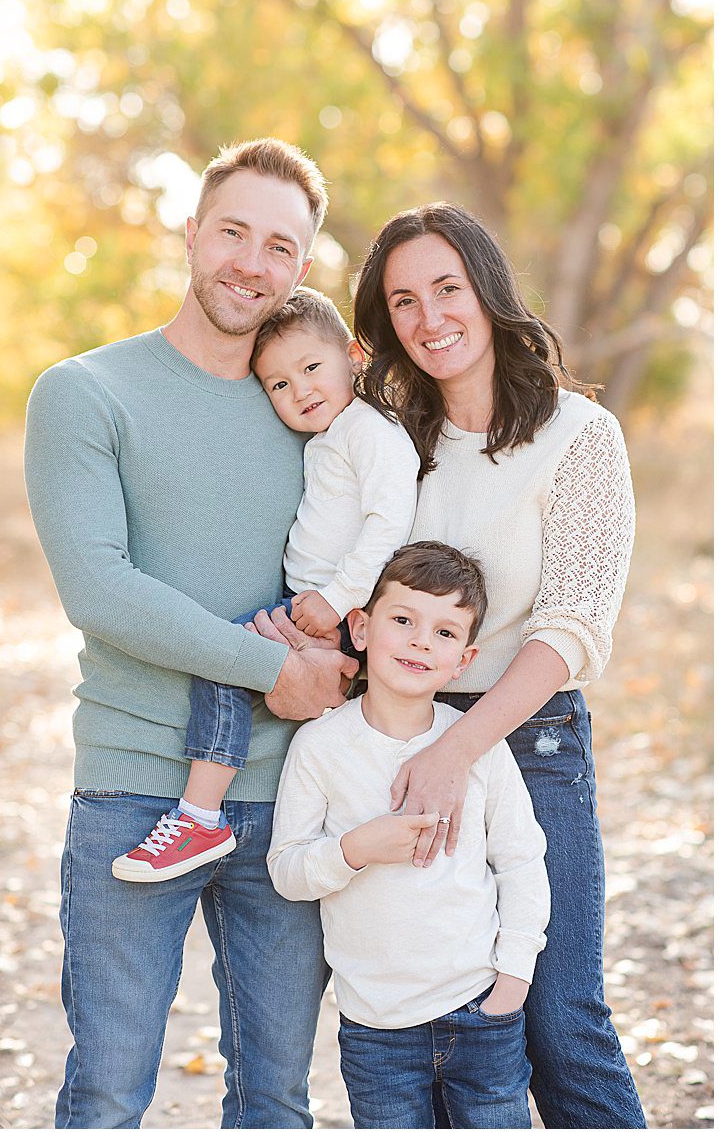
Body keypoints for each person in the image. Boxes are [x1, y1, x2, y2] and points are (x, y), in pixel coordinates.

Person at [24, 137, 357, 1128]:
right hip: (135, 789)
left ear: (302, 267)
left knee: (275, 1098)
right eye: (233, 233)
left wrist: (334, 672)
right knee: (106, 1092)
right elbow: (100, 588)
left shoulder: (316, 411)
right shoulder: (85, 392)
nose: (251, 263)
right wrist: (272, 668)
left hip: (293, 795)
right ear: (190, 234)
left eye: (280, 248)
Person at [345, 201, 643, 1127]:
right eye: (402, 302)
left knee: (558, 1022)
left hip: (527, 744)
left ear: (488, 290)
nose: (429, 318)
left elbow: (571, 629)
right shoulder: (390, 445)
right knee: (430, 1033)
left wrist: (453, 754)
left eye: (447, 288)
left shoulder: (577, 437)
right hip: (396, 739)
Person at [113, 287, 419, 882]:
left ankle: (200, 813)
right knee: (240, 665)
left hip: (339, 612)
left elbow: (390, 523)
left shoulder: (370, 431)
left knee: (229, 658)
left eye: (311, 368)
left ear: (354, 357)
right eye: (278, 384)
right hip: (315, 608)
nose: (300, 389)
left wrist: (337, 602)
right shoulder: (329, 435)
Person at [269, 542, 549, 1128]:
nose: (422, 641)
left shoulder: (475, 744)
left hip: (481, 1007)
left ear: (465, 660)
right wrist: (355, 850)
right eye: (403, 621)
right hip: (377, 1027)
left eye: (445, 633)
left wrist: (514, 979)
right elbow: (287, 870)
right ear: (362, 629)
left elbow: (522, 860)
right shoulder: (320, 747)